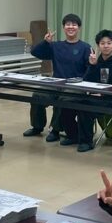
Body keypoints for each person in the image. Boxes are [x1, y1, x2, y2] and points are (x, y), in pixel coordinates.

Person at [22, 14, 92, 143]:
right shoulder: (56, 46)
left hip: (76, 86)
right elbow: (35, 52)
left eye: (74, 24)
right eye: (68, 24)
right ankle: (37, 126)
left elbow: (90, 69)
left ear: (79, 28)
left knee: (63, 98)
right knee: (37, 95)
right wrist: (46, 42)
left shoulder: (85, 47)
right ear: (64, 27)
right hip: (56, 83)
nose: (71, 27)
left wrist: (85, 85)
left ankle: (55, 130)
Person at [74, 29, 112, 153]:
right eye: (102, 43)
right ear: (98, 46)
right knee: (78, 103)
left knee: (86, 108)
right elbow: (86, 81)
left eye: (109, 43)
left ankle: (86, 142)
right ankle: (77, 137)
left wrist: (103, 93)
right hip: (96, 97)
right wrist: (92, 65)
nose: (105, 46)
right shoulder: (96, 61)